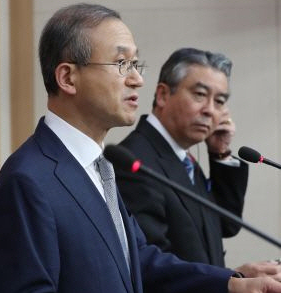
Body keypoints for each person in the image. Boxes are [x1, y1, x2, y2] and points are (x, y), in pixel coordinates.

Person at [0, 3, 281, 293]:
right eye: (121, 64)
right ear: (68, 78)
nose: (137, 79)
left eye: (135, 64)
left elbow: (138, 262)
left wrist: (230, 284)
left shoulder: (99, 165)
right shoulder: (27, 179)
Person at [116, 48, 281, 278]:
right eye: (200, 95)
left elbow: (225, 224)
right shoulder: (136, 163)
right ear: (163, 95)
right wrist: (232, 280)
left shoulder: (183, 158)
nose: (210, 110)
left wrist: (220, 152)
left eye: (220, 101)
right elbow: (152, 269)